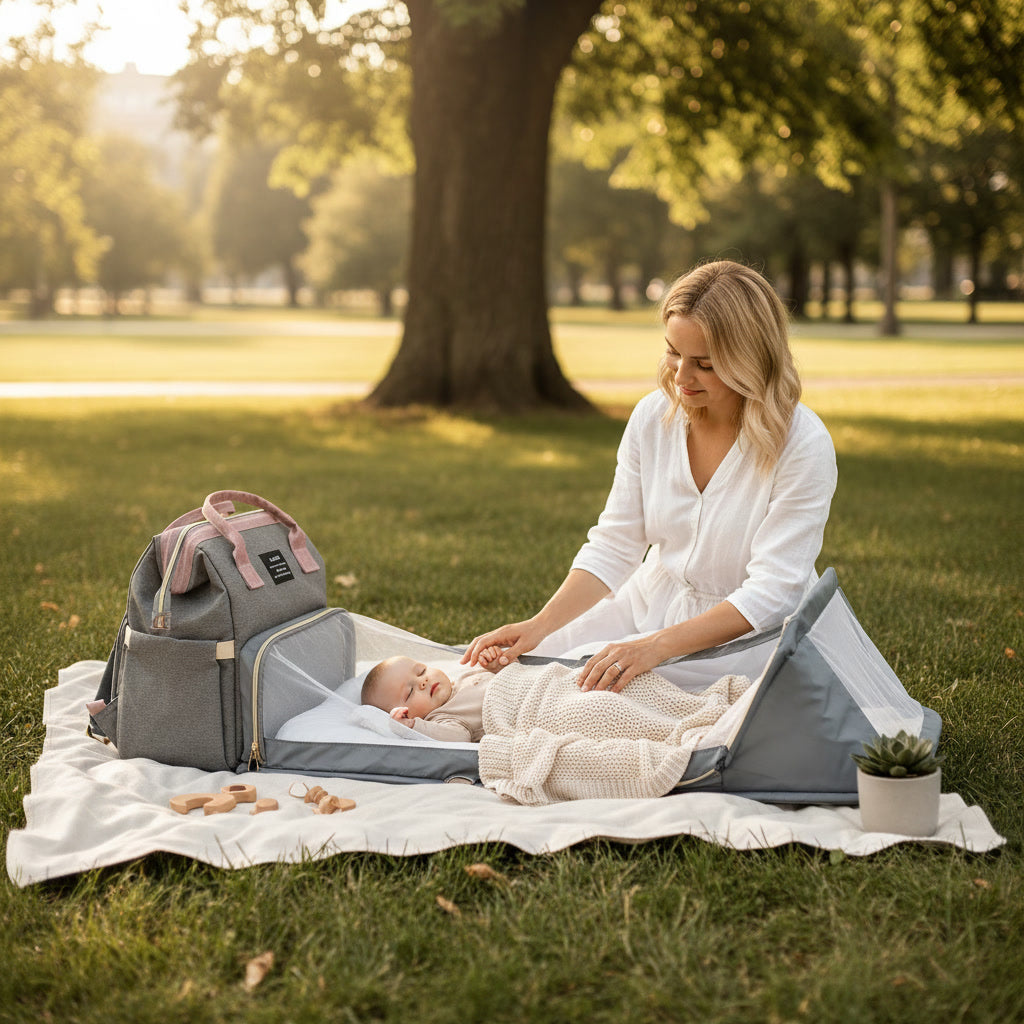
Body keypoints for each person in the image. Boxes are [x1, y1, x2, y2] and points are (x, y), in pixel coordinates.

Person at [461, 259, 837, 694]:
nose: (680, 376)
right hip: (649, 607)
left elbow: (772, 594)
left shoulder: (803, 444)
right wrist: (539, 625)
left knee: (577, 696)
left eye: (705, 364)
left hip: (748, 641)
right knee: (511, 673)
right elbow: (616, 542)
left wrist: (652, 649)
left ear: (752, 360)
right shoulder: (653, 417)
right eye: (673, 352)